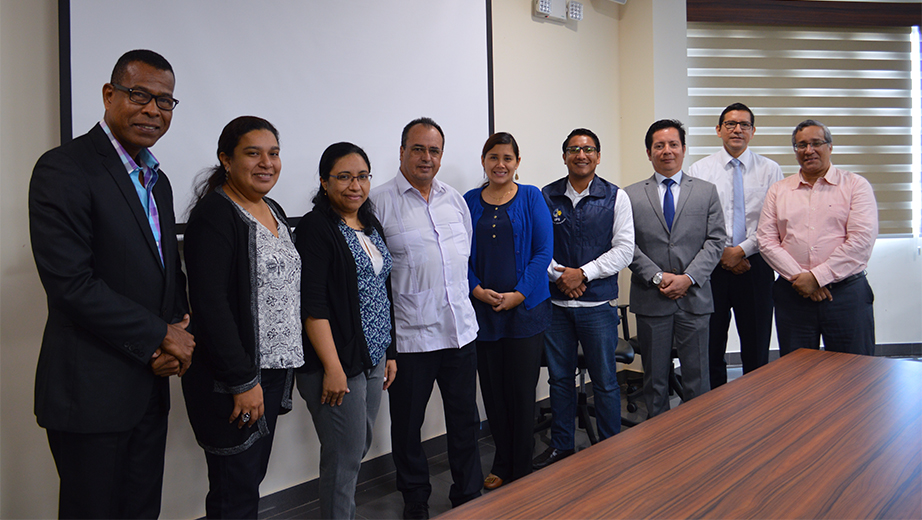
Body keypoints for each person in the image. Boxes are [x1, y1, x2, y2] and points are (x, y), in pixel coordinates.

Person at [28, 49, 193, 519]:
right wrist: (161, 336)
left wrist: (177, 324)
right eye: (139, 95)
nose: (152, 110)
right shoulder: (64, 168)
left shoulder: (156, 178)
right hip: (91, 393)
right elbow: (71, 284)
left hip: (148, 384)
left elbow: (162, 268)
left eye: (164, 102)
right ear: (109, 94)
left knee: (142, 511)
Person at [182, 116, 303, 519]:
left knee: (247, 481)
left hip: (270, 372)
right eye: (253, 153)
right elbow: (211, 305)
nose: (266, 162)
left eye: (273, 153)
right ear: (226, 160)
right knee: (234, 491)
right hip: (236, 379)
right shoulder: (215, 214)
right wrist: (241, 380)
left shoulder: (274, 209)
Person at [370, 117, 482, 519]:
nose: (426, 157)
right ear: (401, 152)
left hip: (460, 333)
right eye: (418, 149)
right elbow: (373, 276)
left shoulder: (455, 200)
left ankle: (468, 493)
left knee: (465, 421)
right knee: (407, 427)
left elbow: (462, 261)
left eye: (434, 151)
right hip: (412, 339)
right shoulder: (378, 202)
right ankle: (415, 498)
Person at [295, 142, 398, 519]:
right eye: (344, 177)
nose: (355, 185)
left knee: (355, 447)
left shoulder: (369, 225)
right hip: (337, 362)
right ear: (324, 182)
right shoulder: (315, 228)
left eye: (362, 176)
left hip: (372, 356)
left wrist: (389, 353)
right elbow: (314, 305)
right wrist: (334, 369)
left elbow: (381, 290)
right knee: (343, 458)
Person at [533, 128, 634, 469]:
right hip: (557, 307)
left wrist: (583, 274)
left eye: (588, 149)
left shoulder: (615, 197)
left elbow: (624, 250)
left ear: (598, 156)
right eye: (574, 149)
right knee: (559, 380)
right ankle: (562, 445)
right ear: (564, 156)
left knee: (605, 381)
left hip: (598, 307)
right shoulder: (545, 197)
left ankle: (610, 446)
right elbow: (537, 247)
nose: (581, 154)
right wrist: (560, 276)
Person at [463, 133, 553, 489]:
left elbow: (543, 251)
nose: (500, 164)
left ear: (518, 162)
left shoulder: (531, 196)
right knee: (493, 393)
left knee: (520, 391)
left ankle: (522, 466)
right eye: (493, 157)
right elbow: (459, 255)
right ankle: (502, 461)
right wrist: (476, 289)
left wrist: (518, 294)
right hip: (483, 314)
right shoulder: (469, 201)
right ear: (483, 161)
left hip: (525, 312)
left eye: (507, 158)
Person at [625, 119, 725, 419]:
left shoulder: (706, 191)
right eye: (659, 145)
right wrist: (657, 276)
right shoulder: (629, 195)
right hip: (651, 298)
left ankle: (696, 436)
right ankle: (657, 440)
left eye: (673, 144)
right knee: (654, 379)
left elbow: (716, 240)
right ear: (648, 151)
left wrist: (688, 278)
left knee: (697, 376)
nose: (666, 151)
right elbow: (626, 245)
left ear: (683, 149)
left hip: (694, 298)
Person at [757, 120, 878, 356]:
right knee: (798, 374)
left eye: (816, 143)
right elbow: (766, 240)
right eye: (801, 145)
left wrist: (817, 278)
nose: (808, 150)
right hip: (793, 295)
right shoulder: (779, 190)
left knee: (854, 373)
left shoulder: (855, 186)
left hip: (845, 295)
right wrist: (802, 279)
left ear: (830, 147)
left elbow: (861, 242)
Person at [687, 103, 783, 388]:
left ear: (753, 131)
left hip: (756, 265)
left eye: (744, 124)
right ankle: (712, 412)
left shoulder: (770, 169)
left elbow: (772, 221)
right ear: (718, 130)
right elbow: (696, 222)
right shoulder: (700, 169)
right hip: (711, 269)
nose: (737, 129)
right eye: (730, 124)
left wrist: (740, 251)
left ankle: (756, 410)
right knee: (711, 344)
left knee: (756, 344)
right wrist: (721, 255)